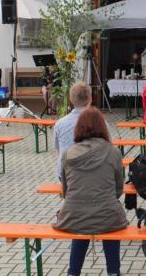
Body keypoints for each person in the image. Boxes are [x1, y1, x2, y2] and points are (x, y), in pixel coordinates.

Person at [53, 107, 127, 276]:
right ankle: (114, 272)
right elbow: (118, 188)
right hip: (107, 214)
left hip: (73, 215)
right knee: (110, 220)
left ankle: (73, 272)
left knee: (81, 222)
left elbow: (66, 189)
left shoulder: (67, 153)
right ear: (103, 127)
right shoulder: (113, 152)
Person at [54, 82, 92, 180]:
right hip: (91, 174)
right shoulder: (101, 123)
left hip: (66, 175)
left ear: (71, 100)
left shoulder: (59, 123)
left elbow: (58, 152)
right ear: (90, 99)